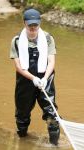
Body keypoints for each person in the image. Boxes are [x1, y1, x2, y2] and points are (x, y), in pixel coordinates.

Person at [10, 8, 60, 145]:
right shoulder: (17, 40)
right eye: (29, 26)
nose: (32, 29)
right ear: (24, 24)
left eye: (35, 26)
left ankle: (54, 145)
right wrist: (33, 78)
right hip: (25, 80)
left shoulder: (48, 38)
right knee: (22, 113)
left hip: (45, 79)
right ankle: (22, 140)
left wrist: (44, 78)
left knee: (52, 115)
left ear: (40, 23)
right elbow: (19, 67)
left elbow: (51, 62)